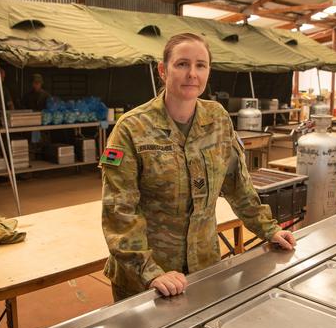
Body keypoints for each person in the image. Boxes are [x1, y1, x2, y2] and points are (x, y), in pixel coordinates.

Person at [100, 33, 296, 301]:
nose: (192, 73)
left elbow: (238, 186)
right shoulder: (131, 129)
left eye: (200, 65)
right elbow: (120, 211)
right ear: (162, 70)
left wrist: (269, 229)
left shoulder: (218, 119)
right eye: (181, 64)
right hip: (144, 279)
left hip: (203, 267)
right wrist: (151, 273)